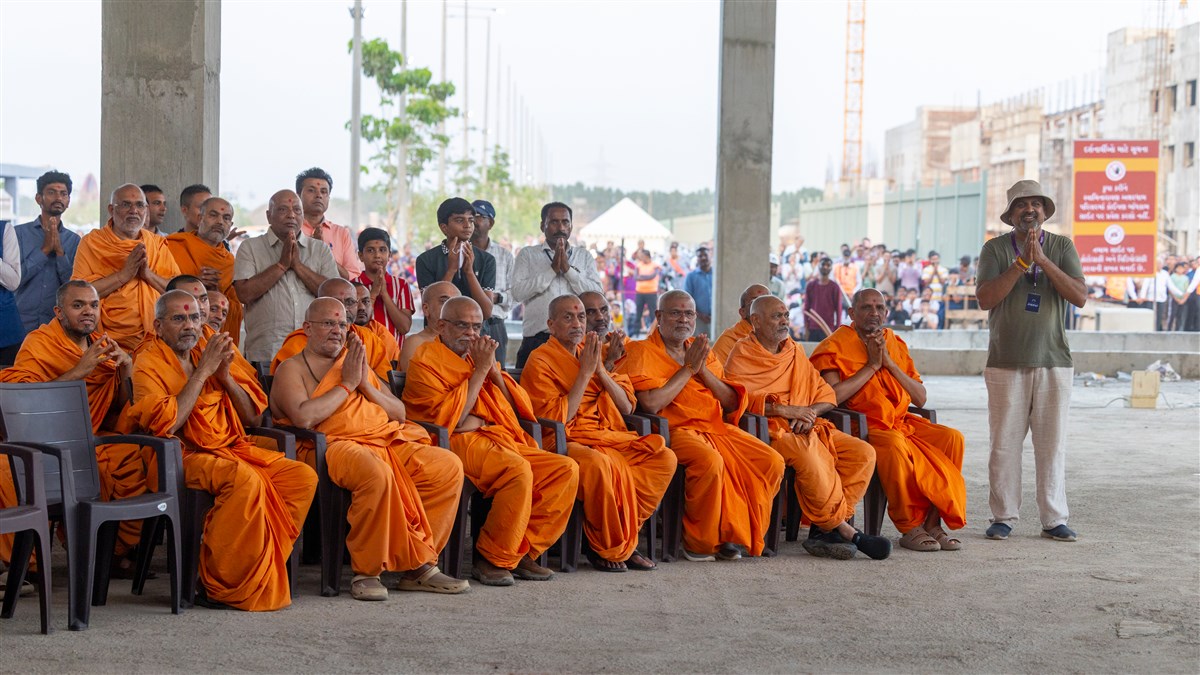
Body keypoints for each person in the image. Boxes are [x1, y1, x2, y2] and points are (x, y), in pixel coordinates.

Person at [129, 290, 317, 610]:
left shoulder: (209, 351)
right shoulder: (148, 362)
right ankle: (217, 584)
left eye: (195, 318)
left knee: (301, 477)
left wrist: (225, 377)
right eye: (179, 318)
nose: (190, 326)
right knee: (245, 480)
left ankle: (256, 572)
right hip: (178, 456)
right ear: (158, 326)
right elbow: (168, 425)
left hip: (228, 448)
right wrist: (203, 372)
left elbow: (253, 417)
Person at [270, 297, 468, 600]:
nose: (337, 330)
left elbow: (399, 412)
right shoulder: (291, 368)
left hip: (383, 439)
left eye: (342, 324)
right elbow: (304, 417)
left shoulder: (353, 364)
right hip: (332, 446)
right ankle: (367, 571)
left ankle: (419, 565)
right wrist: (347, 385)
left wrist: (364, 383)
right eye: (328, 323)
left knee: (447, 465)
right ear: (307, 328)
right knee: (376, 472)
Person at [402, 296, 579, 586]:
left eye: (476, 326)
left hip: (496, 436)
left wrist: (493, 371)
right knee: (517, 470)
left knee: (564, 469)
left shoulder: (479, 358)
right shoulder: (425, 361)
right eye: (462, 326)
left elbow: (513, 408)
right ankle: (491, 558)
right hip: (455, 442)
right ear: (442, 326)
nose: (471, 333)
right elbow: (452, 421)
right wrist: (481, 372)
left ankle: (520, 549)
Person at [616, 290, 785, 561]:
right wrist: (687, 369)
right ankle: (699, 542)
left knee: (772, 461)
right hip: (674, 429)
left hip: (716, 427)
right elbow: (651, 403)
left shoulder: (701, 350)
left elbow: (730, 402)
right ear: (659, 316)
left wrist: (702, 369)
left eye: (689, 314)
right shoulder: (641, 351)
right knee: (710, 461)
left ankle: (733, 532)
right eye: (675, 313)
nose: (683, 320)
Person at [723, 295, 891, 560]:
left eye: (786, 315)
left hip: (808, 424)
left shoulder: (794, 351)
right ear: (755, 321)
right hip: (770, 431)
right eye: (776, 316)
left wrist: (809, 412)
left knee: (863, 453)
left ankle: (826, 529)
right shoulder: (743, 353)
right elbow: (737, 401)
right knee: (811, 457)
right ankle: (844, 531)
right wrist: (784, 410)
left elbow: (827, 395)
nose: (784, 321)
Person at [0, 280, 148, 573]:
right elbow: (24, 404)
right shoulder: (39, 343)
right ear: (59, 312)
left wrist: (126, 368)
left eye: (93, 305)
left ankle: (108, 552)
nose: (88, 312)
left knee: (134, 458)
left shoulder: (103, 347)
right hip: (39, 438)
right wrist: (79, 371)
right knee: (7, 470)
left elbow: (118, 409)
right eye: (78, 305)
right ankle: (19, 566)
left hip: (89, 436)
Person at [521, 295, 676, 572]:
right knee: (599, 464)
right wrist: (584, 374)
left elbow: (627, 406)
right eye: (568, 317)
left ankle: (622, 537)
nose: (577, 323)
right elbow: (556, 419)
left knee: (664, 458)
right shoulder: (540, 360)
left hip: (607, 435)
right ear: (551, 324)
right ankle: (605, 546)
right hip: (565, 440)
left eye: (581, 317)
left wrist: (601, 371)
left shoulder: (593, 352)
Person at [810, 289, 966, 552]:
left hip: (901, 422)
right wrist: (871, 366)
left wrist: (889, 363)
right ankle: (909, 525)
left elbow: (920, 398)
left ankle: (932, 522)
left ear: (886, 312)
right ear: (852, 313)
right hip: (862, 426)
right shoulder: (833, 346)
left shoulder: (894, 342)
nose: (874, 313)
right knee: (894, 444)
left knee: (952, 438)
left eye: (880, 307)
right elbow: (832, 397)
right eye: (866, 307)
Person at [975, 180, 1087, 542]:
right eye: (1022, 205)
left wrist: (1043, 260)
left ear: (1044, 211)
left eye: (1036, 204)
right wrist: (1022, 262)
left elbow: (1079, 296)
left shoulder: (1062, 246)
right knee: (1004, 444)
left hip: (1054, 360)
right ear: (1011, 215)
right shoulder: (994, 249)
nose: (1030, 210)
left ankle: (1054, 518)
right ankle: (1003, 516)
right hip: (1005, 361)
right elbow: (985, 299)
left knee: (1052, 445)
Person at [232, 189, 338, 362]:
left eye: (297, 210)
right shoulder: (250, 247)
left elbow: (333, 295)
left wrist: (298, 266)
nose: (291, 215)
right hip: (267, 351)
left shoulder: (320, 249)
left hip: (312, 350)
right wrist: (281, 265)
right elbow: (244, 294)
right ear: (269, 216)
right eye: (283, 209)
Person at [73, 184, 181, 351]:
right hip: (107, 343)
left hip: (155, 341)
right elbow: (78, 295)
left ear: (146, 210)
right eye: (125, 204)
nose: (134, 211)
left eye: (140, 205)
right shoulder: (92, 242)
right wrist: (123, 275)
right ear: (111, 209)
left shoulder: (156, 244)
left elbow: (178, 292)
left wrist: (148, 275)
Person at [510, 202, 603, 369]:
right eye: (554, 222)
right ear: (542, 226)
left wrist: (568, 271)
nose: (560, 227)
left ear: (571, 226)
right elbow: (517, 293)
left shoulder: (583, 256)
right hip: (536, 339)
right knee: (530, 385)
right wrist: (551, 271)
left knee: (578, 385)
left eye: (565, 222)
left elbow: (597, 294)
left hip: (576, 340)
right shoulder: (528, 255)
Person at [271, 278, 395, 382]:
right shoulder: (300, 341)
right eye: (335, 302)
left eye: (350, 302)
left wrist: (360, 367)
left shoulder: (368, 338)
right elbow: (289, 387)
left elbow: (387, 388)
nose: (344, 309)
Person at [165, 196, 244, 347]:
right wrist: (194, 283)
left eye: (226, 218)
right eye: (213, 215)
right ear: (200, 218)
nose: (220, 222)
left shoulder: (230, 262)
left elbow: (236, 308)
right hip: (178, 331)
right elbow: (157, 288)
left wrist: (215, 294)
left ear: (231, 225)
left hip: (212, 337)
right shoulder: (174, 245)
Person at [15, 171, 82, 337]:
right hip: (19, 323)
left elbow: (73, 286)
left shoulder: (74, 240)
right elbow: (14, 280)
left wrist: (60, 252)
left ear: (68, 201)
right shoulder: (17, 234)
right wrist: (44, 250)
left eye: (63, 194)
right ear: (39, 198)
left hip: (57, 326)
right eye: (51, 192)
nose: (58, 198)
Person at [414, 197, 496, 329]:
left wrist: (469, 273)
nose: (467, 225)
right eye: (459, 220)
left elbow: (486, 312)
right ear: (444, 227)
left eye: (471, 220)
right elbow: (432, 311)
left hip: (473, 335)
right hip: (438, 334)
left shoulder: (486, 259)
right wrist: (451, 270)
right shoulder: (426, 260)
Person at [297, 167, 363, 280]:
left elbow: (353, 277)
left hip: (334, 292)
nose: (319, 195)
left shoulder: (341, 234)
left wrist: (324, 251)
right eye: (311, 190)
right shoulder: (290, 230)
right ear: (298, 196)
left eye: (324, 192)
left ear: (328, 197)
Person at [470, 200, 514, 366]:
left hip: (494, 323)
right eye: (471, 216)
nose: (474, 221)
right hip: (465, 324)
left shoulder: (504, 255)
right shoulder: (459, 251)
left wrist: (494, 298)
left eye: (480, 216)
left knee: (497, 373)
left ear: (491, 223)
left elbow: (515, 295)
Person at [355, 227, 413, 348]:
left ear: (389, 254)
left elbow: (404, 328)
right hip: (364, 354)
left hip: (394, 356)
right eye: (370, 250)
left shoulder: (401, 285)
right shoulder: (352, 286)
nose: (377, 255)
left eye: (382, 250)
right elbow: (354, 325)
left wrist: (385, 294)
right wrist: (373, 294)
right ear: (360, 255)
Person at [398, 281, 460, 372]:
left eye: (456, 302)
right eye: (444, 301)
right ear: (426, 309)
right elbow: (418, 379)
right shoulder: (416, 343)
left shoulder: (464, 342)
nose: (451, 307)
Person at [712, 284, 770, 367]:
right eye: (755, 302)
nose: (764, 307)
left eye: (768, 301)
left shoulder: (780, 337)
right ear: (743, 312)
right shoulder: (730, 340)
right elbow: (715, 372)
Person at [804, 257, 843, 341]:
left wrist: (837, 329)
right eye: (823, 264)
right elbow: (806, 308)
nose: (825, 267)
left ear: (831, 268)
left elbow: (838, 310)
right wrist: (806, 328)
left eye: (828, 265)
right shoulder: (810, 285)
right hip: (813, 327)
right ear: (818, 266)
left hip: (828, 328)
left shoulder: (835, 287)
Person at [683, 246, 713, 337]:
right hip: (698, 319)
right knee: (699, 342)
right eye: (700, 256)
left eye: (705, 255)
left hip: (716, 318)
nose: (703, 258)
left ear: (710, 256)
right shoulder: (691, 276)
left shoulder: (717, 274)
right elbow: (687, 299)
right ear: (697, 259)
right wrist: (699, 315)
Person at [631, 249, 661, 338]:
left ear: (647, 256)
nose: (641, 258)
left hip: (651, 292)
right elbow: (635, 277)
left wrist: (642, 277)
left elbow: (652, 276)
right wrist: (646, 277)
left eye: (642, 256)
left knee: (653, 313)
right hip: (640, 292)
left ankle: (655, 332)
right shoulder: (639, 265)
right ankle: (636, 332)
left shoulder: (655, 265)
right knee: (638, 312)